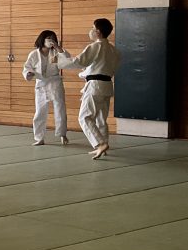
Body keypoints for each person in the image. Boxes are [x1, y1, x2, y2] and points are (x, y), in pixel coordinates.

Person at [61, 18, 121, 159]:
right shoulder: (114, 50)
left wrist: (58, 62)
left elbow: (78, 62)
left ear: (98, 32)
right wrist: (85, 73)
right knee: (100, 119)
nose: (91, 31)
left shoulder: (95, 46)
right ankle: (103, 146)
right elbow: (103, 68)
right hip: (107, 85)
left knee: (84, 117)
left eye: (93, 28)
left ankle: (100, 144)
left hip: (95, 86)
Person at [23, 30, 70, 146]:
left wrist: (58, 47)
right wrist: (29, 73)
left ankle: (62, 134)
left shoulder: (56, 52)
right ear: (42, 39)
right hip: (41, 83)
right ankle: (39, 137)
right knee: (40, 111)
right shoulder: (34, 54)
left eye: (53, 38)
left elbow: (68, 59)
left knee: (60, 109)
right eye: (48, 38)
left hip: (55, 82)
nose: (50, 40)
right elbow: (27, 67)